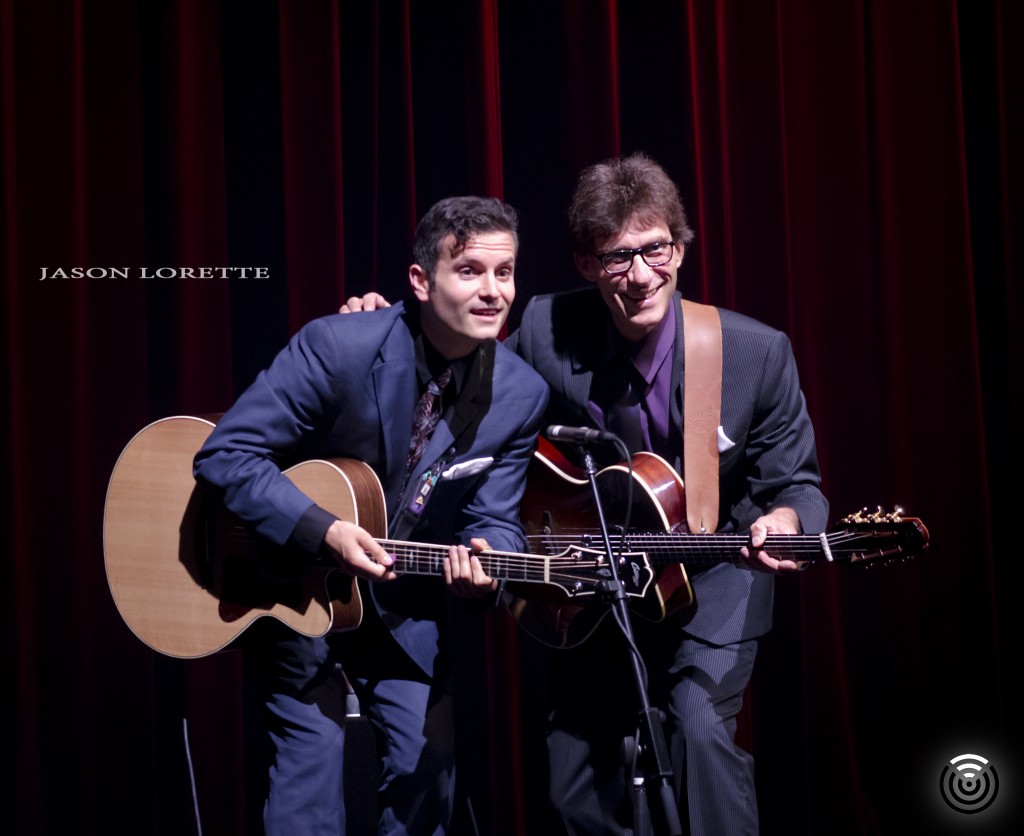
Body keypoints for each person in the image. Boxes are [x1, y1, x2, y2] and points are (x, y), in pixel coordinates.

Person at [340, 153, 829, 835]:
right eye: (616, 257)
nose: (639, 274)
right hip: (588, 585)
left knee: (697, 731)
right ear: (586, 265)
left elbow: (797, 485)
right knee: (574, 779)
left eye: (655, 249)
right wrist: (384, 325)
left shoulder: (754, 353)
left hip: (709, 583)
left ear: (681, 248)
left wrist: (784, 519)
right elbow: (459, 365)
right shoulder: (545, 328)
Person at [193, 195, 550, 836]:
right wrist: (321, 529)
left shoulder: (520, 392)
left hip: (401, 604)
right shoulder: (339, 347)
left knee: (428, 764)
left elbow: (496, 518)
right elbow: (227, 454)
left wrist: (489, 562)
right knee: (313, 761)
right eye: (469, 270)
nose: (493, 291)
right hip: (285, 583)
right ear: (420, 281)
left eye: (505, 273)